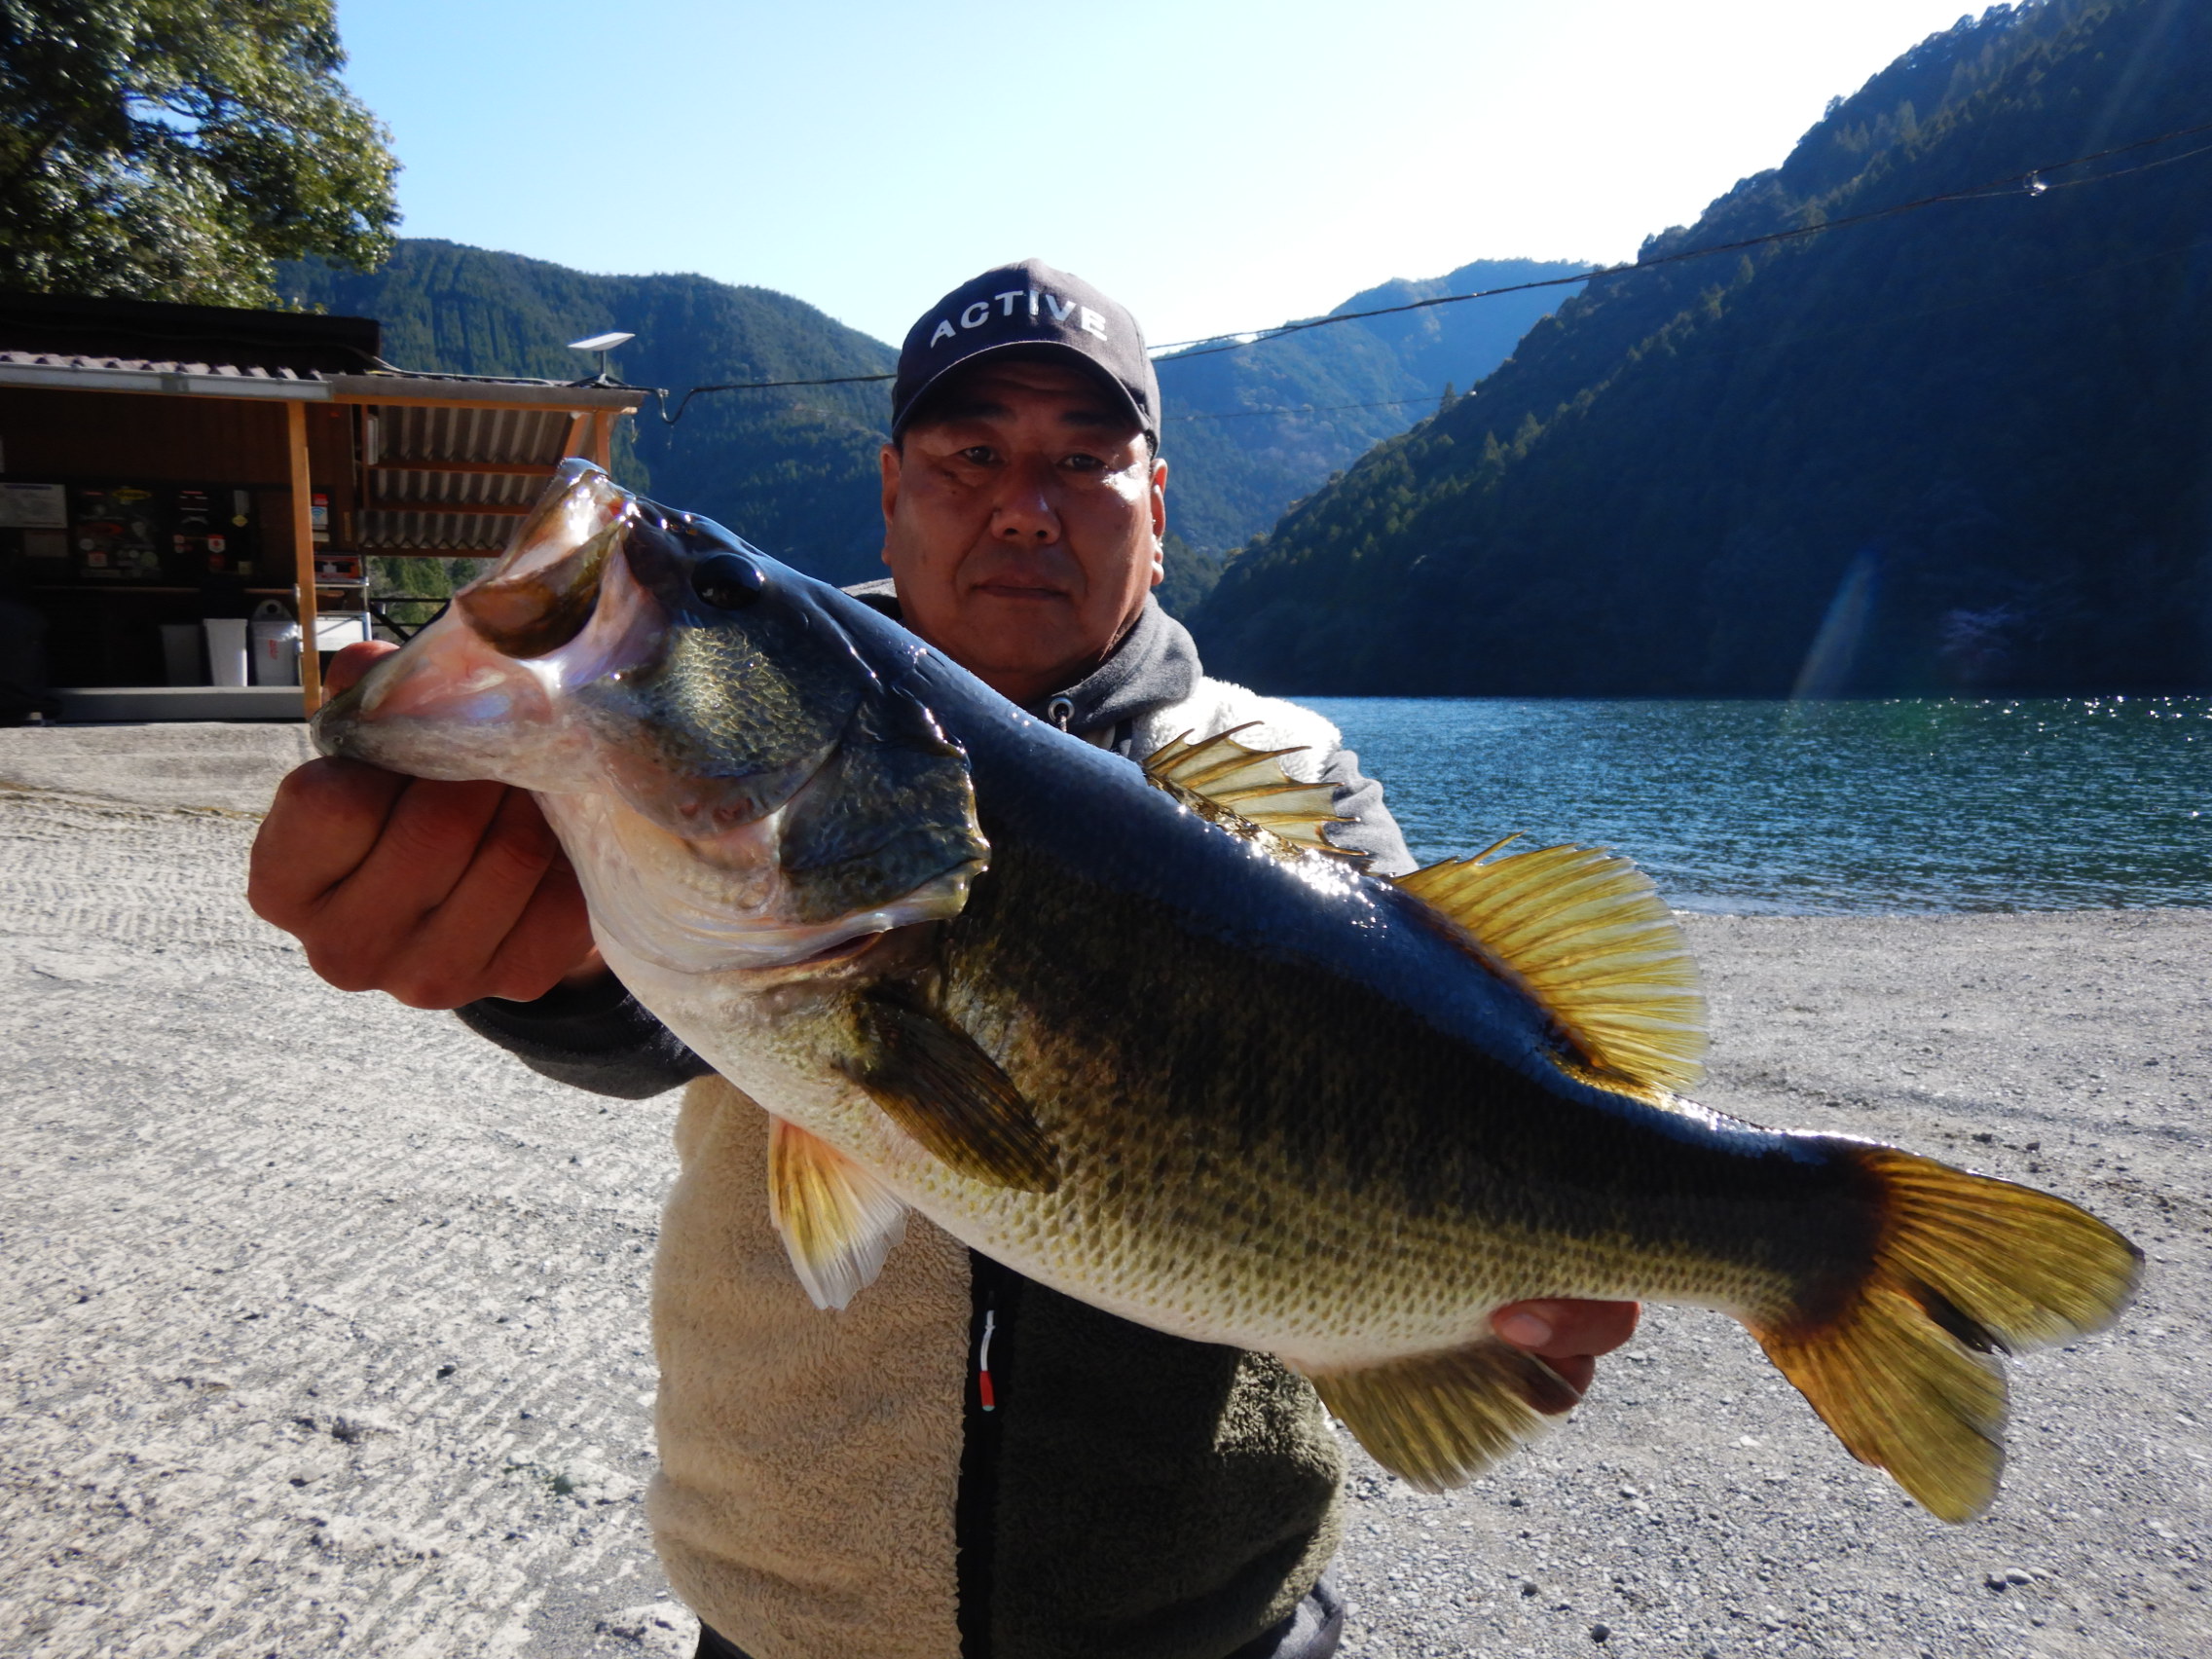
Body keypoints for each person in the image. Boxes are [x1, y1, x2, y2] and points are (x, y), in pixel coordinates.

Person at [249, 261, 1638, 1659]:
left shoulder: (1292, 775)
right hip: (800, 1614)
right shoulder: (719, 757)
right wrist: (526, 962)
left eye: (1084, 461)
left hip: (1212, 1623)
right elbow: (641, 1011)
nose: (1024, 505)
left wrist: (1507, 1295)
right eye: (970, 455)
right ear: (891, 493)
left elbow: (1456, 1056)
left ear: (1156, 511)